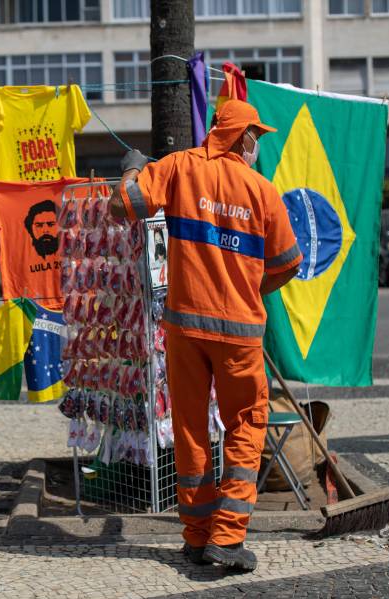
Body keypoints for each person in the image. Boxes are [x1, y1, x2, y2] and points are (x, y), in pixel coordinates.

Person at [111, 100, 303, 571]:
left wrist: (132, 170)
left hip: (185, 327)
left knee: (191, 429)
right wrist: (249, 287)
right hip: (239, 333)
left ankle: (197, 537)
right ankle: (228, 538)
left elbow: (122, 206)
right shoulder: (262, 190)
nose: (257, 145)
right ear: (244, 138)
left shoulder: (178, 168)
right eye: (256, 136)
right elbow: (287, 264)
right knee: (246, 426)